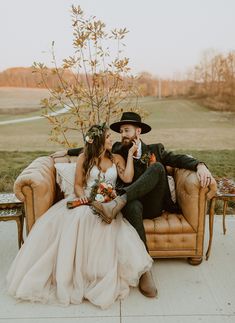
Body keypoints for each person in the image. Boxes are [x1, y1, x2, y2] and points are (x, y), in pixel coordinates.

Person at [6, 124, 153, 309]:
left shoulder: (116, 157)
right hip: (86, 202)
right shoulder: (85, 158)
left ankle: (97, 274)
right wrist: (83, 196)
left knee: (105, 226)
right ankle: (75, 276)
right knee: (81, 220)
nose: (111, 139)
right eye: (108, 137)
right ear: (99, 140)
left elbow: (128, 179)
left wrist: (130, 155)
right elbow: (77, 184)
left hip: (108, 206)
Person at [89, 112, 213, 296]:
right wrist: (67, 152)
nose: (123, 134)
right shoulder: (117, 149)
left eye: (127, 130)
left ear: (138, 132)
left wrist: (200, 165)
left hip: (153, 204)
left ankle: (117, 202)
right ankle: (145, 270)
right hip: (132, 206)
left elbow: (178, 159)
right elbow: (93, 149)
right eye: (121, 131)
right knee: (132, 205)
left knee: (157, 167)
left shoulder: (155, 149)